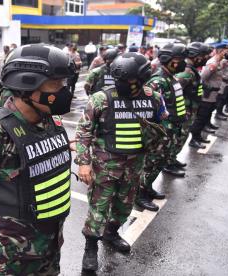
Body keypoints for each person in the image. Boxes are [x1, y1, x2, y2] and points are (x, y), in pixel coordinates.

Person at [0, 44, 75, 275]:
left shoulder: (50, 122)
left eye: (63, 83)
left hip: (50, 240)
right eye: (55, 84)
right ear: (27, 84)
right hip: (13, 252)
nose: (63, 90)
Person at [76, 52, 167, 271]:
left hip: (135, 166)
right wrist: (83, 163)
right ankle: (90, 247)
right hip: (105, 166)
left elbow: (160, 126)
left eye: (127, 81)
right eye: (118, 80)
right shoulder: (101, 98)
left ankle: (111, 233)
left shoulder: (153, 98)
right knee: (98, 208)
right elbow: (83, 133)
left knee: (124, 205)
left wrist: (157, 147)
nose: (121, 84)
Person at [135, 43, 188, 212]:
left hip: (170, 130)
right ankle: (139, 194)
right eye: (177, 60)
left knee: (160, 162)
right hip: (160, 132)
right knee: (151, 163)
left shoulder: (170, 78)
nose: (180, 63)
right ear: (167, 60)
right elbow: (144, 108)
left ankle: (147, 187)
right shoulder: (158, 81)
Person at [189, 43, 228, 148]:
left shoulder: (218, 62)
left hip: (214, 94)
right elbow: (203, 78)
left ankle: (198, 137)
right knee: (201, 118)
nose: (227, 53)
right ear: (219, 51)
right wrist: (207, 88)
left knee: (206, 116)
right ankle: (193, 139)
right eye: (225, 51)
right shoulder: (212, 63)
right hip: (208, 95)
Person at [175, 42, 210, 148]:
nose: (205, 58)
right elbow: (174, 91)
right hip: (184, 110)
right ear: (195, 55)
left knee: (183, 136)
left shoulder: (192, 69)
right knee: (180, 137)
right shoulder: (187, 71)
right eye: (203, 55)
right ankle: (169, 161)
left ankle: (172, 160)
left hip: (190, 108)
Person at [215, 43, 228, 120]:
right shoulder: (220, 60)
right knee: (220, 99)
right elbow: (219, 72)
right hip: (222, 82)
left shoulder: (226, 60)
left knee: (224, 98)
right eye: (226, 51)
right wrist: (224, 77)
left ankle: (220, 112)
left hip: (226, 82)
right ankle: (218, 113)